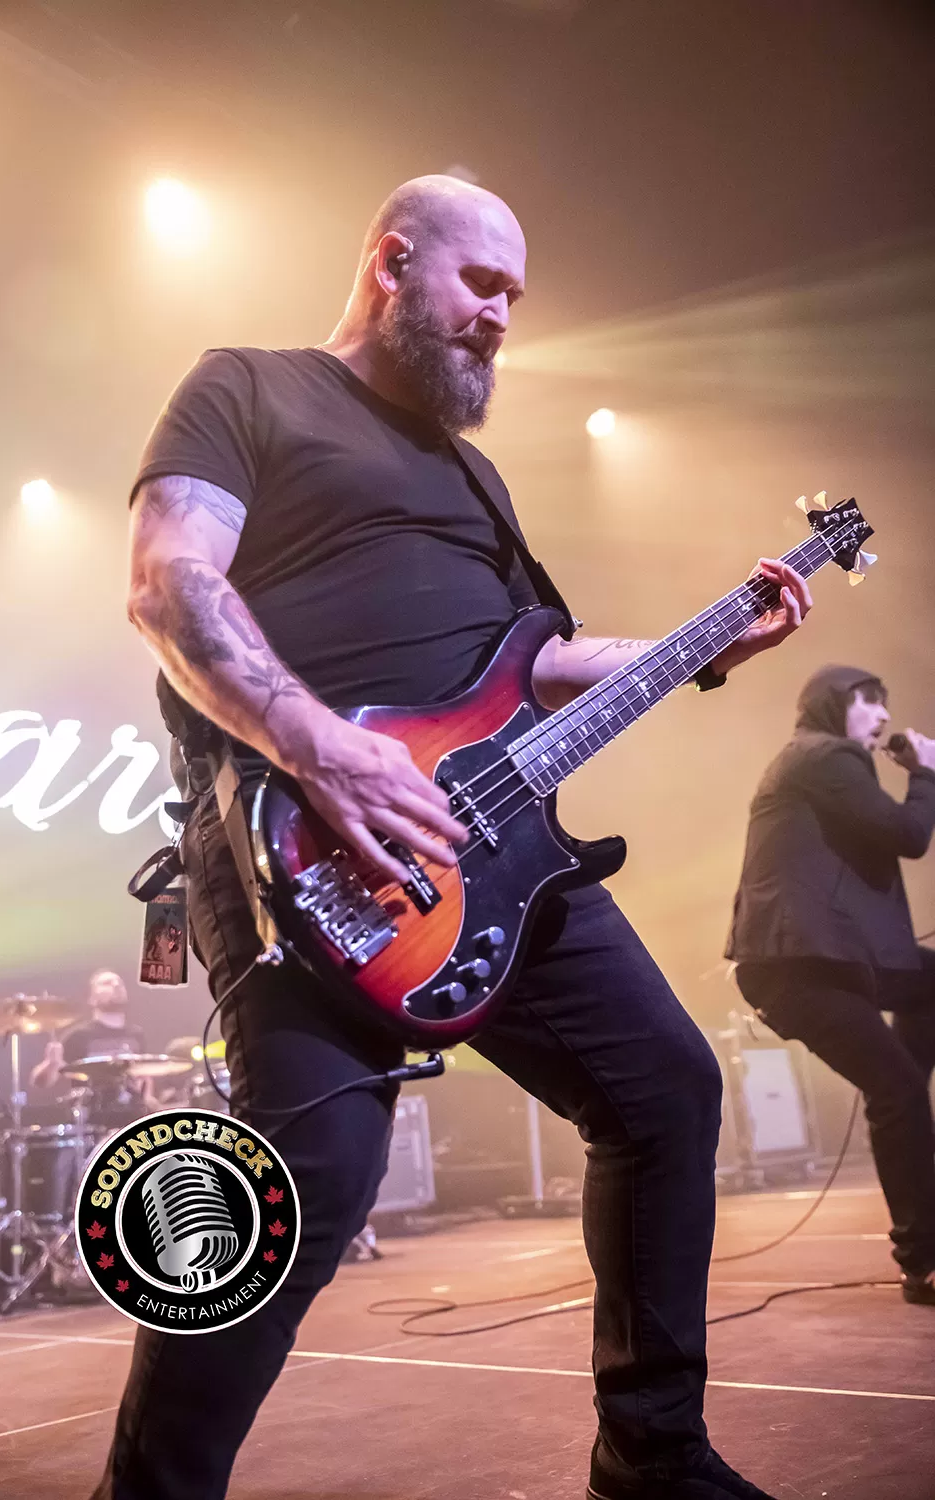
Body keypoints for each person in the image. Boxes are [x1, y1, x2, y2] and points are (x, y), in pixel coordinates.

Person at [101, 175, 813, 1500]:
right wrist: (316, 744)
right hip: (304, 844)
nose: (501, 317)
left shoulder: (472, 477)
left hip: (493, 855)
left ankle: (652, 1459)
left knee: (665, 1091)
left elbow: (535, 665)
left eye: (516, 299)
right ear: (391, 262)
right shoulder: (249, 387)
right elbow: (168, 582)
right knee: (309, 1183)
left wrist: (710, 643)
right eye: (481, 284)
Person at [727, 665, 935, 1303]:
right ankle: (924, 1262)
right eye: (868, 701)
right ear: (829, 704)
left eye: (884, 703)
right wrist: (926, 773)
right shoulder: (824, 756)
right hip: (796, 968)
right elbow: (909, 835)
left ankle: (906, 1107)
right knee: (898, 1090)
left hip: (829, 960)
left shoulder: (819, 762)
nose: (882, 715)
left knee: (913, 1042)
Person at [30, 968, 151, 1123]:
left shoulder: (137, 1034)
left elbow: (146, 1074)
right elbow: (41, 1083)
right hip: (94, 1119)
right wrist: (51, 1064)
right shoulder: (78, 1036)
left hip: (133, 1117)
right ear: (91, 999)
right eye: (106, 983)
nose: (116, 985)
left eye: (119, 982)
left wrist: (149, 1099)